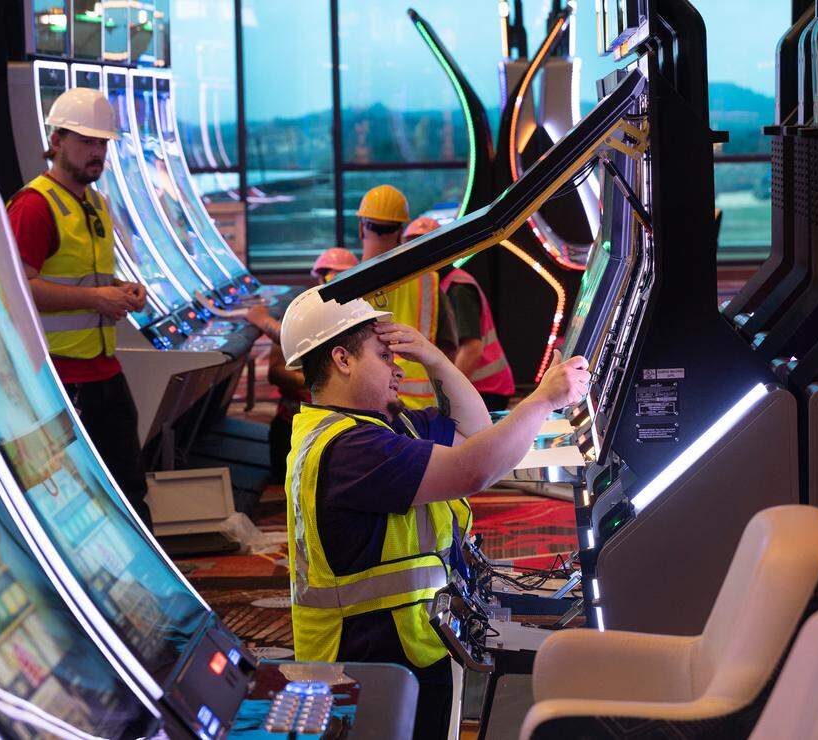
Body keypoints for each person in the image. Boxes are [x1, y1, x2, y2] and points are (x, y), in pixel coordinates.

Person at [279, 286, 590, 740]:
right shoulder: (350, 448)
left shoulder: (382, 425)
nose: (397, 368)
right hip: (368, 664)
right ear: (342, 360)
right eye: (384, 356)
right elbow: (474, 469)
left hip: (404, 647)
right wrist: (542, 400)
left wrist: (435, 358)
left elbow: (475, 432)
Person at [6, 88, 152, 529]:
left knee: (128, 488)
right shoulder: (34, 206)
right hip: (59, 376)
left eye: (102, 142)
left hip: (101, 368)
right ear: (56, 141)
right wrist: (96, 298)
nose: (97, 152)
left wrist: (121, 290)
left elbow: (84, 278)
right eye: (86, 141)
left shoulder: (95, 203)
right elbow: (17, 288)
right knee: (75, 495)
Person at [241, 247, 359, 481]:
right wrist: (317, 380)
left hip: (336, 426)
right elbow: (275, 372)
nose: (332, 282)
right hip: (294, 420)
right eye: (329, 276)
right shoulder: (301, 315)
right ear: (319, 278)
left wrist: (263, 320)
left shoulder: (357, 318)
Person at [356, 185, 457, 408]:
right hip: (422, 410)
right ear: (400, 231)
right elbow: (449, 348)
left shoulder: (339, 289)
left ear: (361, 228)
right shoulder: (428, 282)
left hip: (366, 408)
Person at [404, 217, 515, 412]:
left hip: (485, 390)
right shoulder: (431, 286)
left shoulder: (457, 288)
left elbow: (472, 349)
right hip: (479, 388)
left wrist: (448, 394)